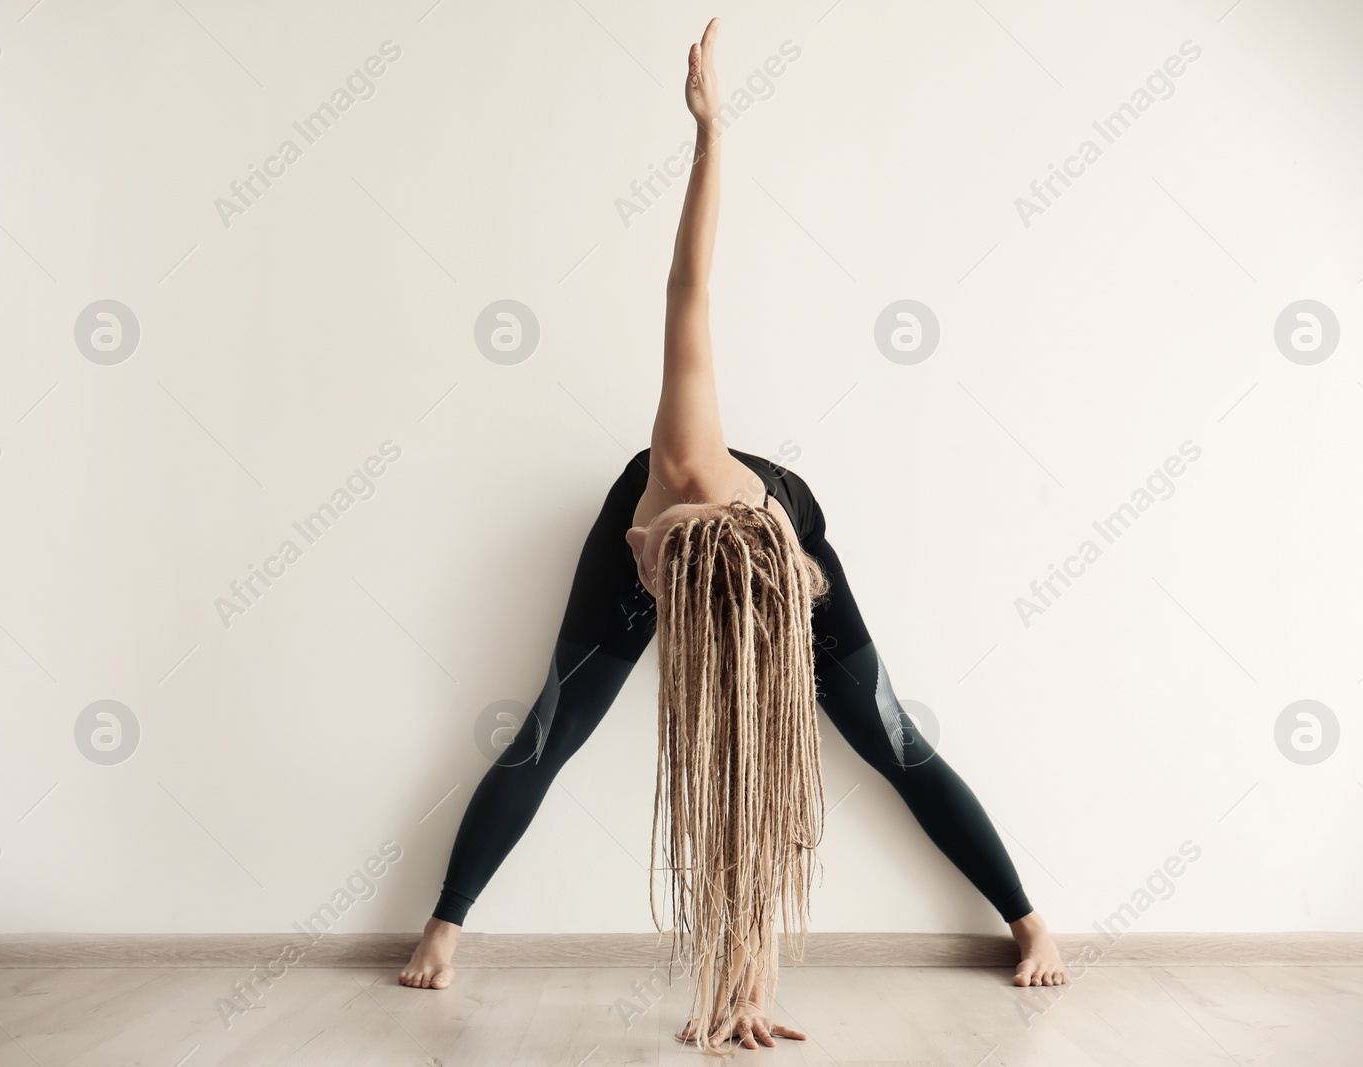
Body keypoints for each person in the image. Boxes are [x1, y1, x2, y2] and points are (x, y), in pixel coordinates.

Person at [400, 18, 1069, 1052]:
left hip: (782, 559)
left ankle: (1027, 918)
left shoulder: (784, 600)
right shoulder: (680, 461)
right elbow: (688, 291)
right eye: (657, 583)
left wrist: (747, 980)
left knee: (892, 738)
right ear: (650, 552)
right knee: (548, 727)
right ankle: (445, 922)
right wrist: (713, 136)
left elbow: (751, 797)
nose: (655, 605)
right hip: (725, 522)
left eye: (663, 604)